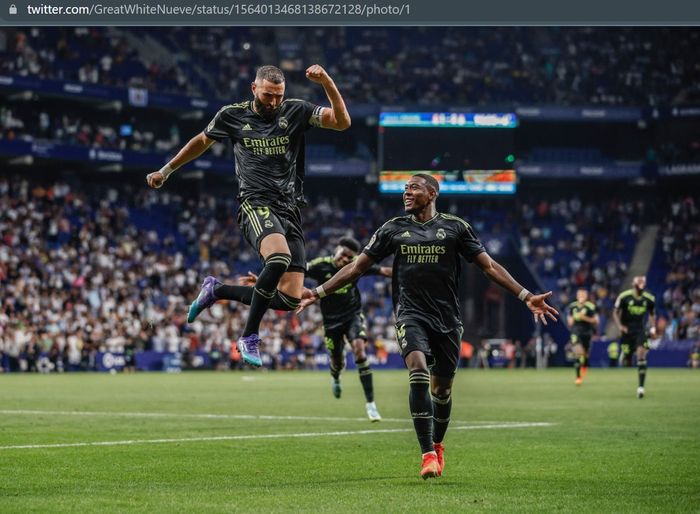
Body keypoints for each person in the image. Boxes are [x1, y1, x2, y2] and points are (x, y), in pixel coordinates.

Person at [297, 174, 558, 479]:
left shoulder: (455, 228)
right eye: (405, 189)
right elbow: (357, 268)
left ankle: (437, 444)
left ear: (432, 193)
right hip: (411, 314)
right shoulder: (392, 229)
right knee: (417, 370)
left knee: (442, 391)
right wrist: (317, 292)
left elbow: (488, 266)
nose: (406, 193)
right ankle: (427, 454)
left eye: (413, 189)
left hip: (447, 320)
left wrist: (525, 295)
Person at [146, 64, 351, 367]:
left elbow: (341, 123)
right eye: (268, 95)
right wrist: (166, 171)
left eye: (278, 96)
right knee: (278, 259)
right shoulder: (232, 115)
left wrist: (327, 81)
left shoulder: (295, 111)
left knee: (291, 299)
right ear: (254, 88)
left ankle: (216, 290)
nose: (273, 102)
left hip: (290, 208)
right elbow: (201, 141)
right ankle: (249, 336)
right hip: (255, 203)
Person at [240, 237, 391, 421]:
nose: (345, 260)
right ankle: (335, 375)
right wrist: (264, 281)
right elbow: (291, 275)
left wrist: (407, 271)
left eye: (349, 258)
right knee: (337, 362)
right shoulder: (320, 265)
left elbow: (383, 270)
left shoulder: (355, 265)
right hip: (330, 322)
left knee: (360, 352)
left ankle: (371, 405)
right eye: (343, 255)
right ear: (336, 249)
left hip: (353, 316)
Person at [613, 275, 656, 398]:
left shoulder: (649, 299)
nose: (641, 283)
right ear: (633, 283)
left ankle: (641, 387)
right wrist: (620, 326)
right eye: (639, 281)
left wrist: (653, 328)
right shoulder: (624, 297)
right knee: (627, 362)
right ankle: (625, 354)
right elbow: (615, 312)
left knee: (641, 355)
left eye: (643, 281)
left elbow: (653, 314)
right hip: (627, 331)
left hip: (640, 330)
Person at [567, 288, 599, 385]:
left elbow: (596, 321)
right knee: (578, 352)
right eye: (579, 294)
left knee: (585, 355)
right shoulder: (572, 306)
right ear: (577, 296)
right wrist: (574, 318)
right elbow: (570, 322)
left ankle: (584, 366)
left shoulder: (590, 307)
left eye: (583, 294)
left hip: (587, 333)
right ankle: (578, 377)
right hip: (576, 332)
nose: (581, 296)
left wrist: (583, 317)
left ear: (586, 296)